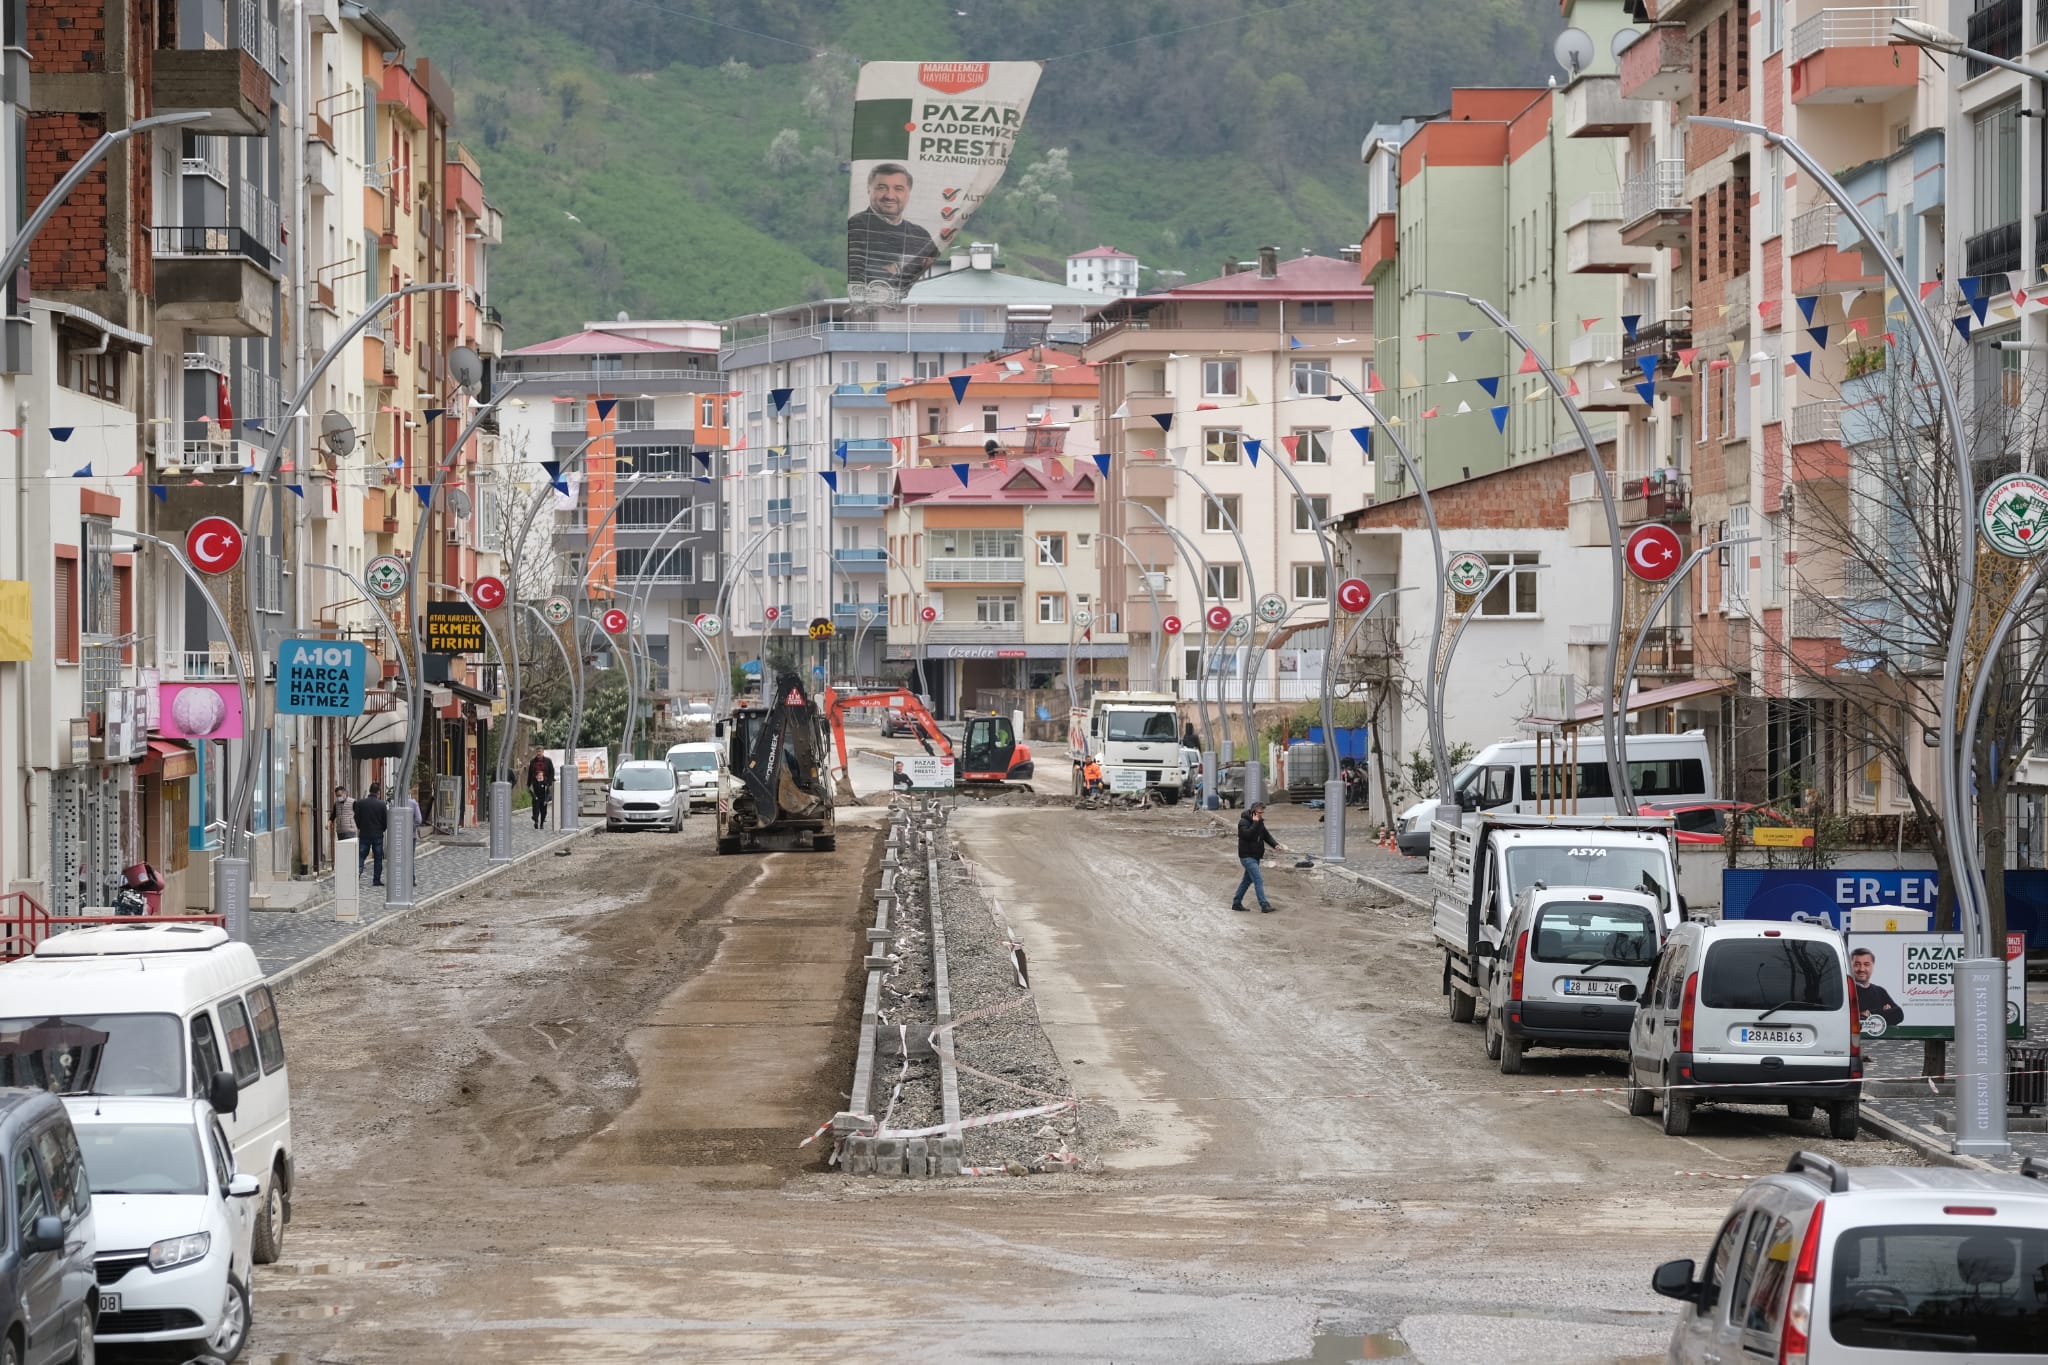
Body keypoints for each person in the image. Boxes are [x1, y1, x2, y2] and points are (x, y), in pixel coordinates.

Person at [847, 163, 937, 289]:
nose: (889, 196)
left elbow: (935, 276)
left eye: (898, 189)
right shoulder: (854, 228)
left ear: (908, 193)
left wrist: (895, 270)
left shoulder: (921, 236)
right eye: (882, 188)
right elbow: (855, 273)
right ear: (869, 189)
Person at [1232, 802, 1283, 913]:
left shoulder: (1260, 822)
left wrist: (1275, 845)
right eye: (1260, 812)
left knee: (1246, 881)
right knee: (1258, 879)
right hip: (1247, 856)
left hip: (1256, 856)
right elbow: (1247, 835)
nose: (1261, 814)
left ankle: (1236, 903)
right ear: (1254, 811)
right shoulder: (1243, 822)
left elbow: (1266, 835)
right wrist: (1255, 823)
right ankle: (1264, 905)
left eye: (1262, 812)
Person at [1849, 946, 1906, 1030]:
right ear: (1850, 966)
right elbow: (1850, 1020)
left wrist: (1869, 1013)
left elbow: (1898, 1014)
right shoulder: (1846, 990)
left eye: (1866, 964)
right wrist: (1883, 1012)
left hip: (1881, 1042)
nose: (1862, 969)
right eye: (1857, 965)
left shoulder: (1880, 991)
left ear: (1873, 966)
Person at [352, 782, 389, 886]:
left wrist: (360, 827)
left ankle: (357, 874)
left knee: (361, 855)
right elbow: (385, 820)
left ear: (369, 790)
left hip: (364, 833)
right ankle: (376, 880)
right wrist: (382, 828)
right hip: (377, 834)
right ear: (378, 792)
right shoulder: (381, 804)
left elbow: (356, 818)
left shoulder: (360, 803)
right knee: (378, 857)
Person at [527, 751, 556, 830]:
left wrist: (549, 782)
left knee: (543, 810)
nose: (538, 754)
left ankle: (542, 822)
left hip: (545, 783)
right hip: (535, 784)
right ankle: (536, 819)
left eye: (540, 752)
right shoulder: (533, 762)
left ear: (543, 752)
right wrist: (529, 783)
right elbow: (530, 773)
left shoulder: (548, 761)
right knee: (535, 806)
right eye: (537, 752)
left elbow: (551, 772)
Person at [330, 783, 356, 854]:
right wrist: (329, 822)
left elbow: (358, 814)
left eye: (339, 795)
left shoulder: (353, 802)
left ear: (345, 793)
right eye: (337, 796)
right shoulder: (336, 804)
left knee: (349, 851)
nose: (338, 797)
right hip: (340, 831)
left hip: (350, 830)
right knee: (343, 852)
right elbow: (333, 815)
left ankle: (350, 865)